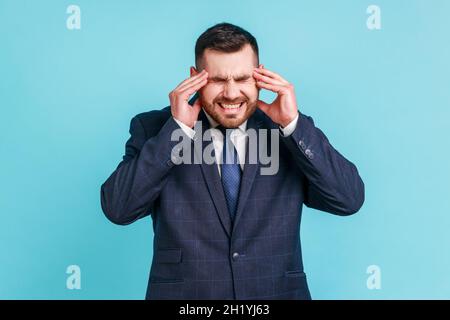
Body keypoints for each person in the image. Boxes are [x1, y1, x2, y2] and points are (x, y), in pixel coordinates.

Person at [100, 22, 365, 300]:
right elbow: (118, 209)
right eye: (217, 80)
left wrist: (293, 125)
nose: (230, 93)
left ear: (260, 76)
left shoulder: (289, 132)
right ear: (195, 77)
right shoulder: (156, 128)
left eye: (241, 79)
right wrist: (177, 130)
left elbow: (348, 199)